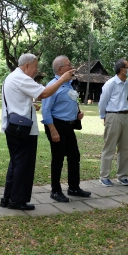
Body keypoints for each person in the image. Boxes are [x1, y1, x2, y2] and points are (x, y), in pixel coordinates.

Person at [1, 53, 74, 210]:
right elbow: (44, 93)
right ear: (27, 65)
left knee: (16, 163)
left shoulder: (11, 77)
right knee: (23, 165)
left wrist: (29, 106)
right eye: (35, 66)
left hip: (14, 125)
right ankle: (17, 200)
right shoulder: (21, 78)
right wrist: (62, 79)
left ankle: (8, 198)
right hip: (22, 130)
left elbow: (16, 100)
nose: (36, 70)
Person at [41, 56, 91, 203]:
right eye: (69, 65)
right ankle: (55, 191)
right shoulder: (53, 86)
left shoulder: (69, 84)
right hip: (57, 125)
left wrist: (77, 114)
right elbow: (46, 110)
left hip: (69, 126)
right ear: (60, 69)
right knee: (58, 159)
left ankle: (74, 188)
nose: (72, 67)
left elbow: (67, 103)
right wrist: (53, 130)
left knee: (74, 156)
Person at [98, 58, 128, 187]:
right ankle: (104, 176)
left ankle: (122, 176)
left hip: (125, 116)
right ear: (122, 69)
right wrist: (104, 116)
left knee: (125, 147)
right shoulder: (110, 83)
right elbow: (102, 102)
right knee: (109, 147)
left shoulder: (126, 83)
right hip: (113, 115)